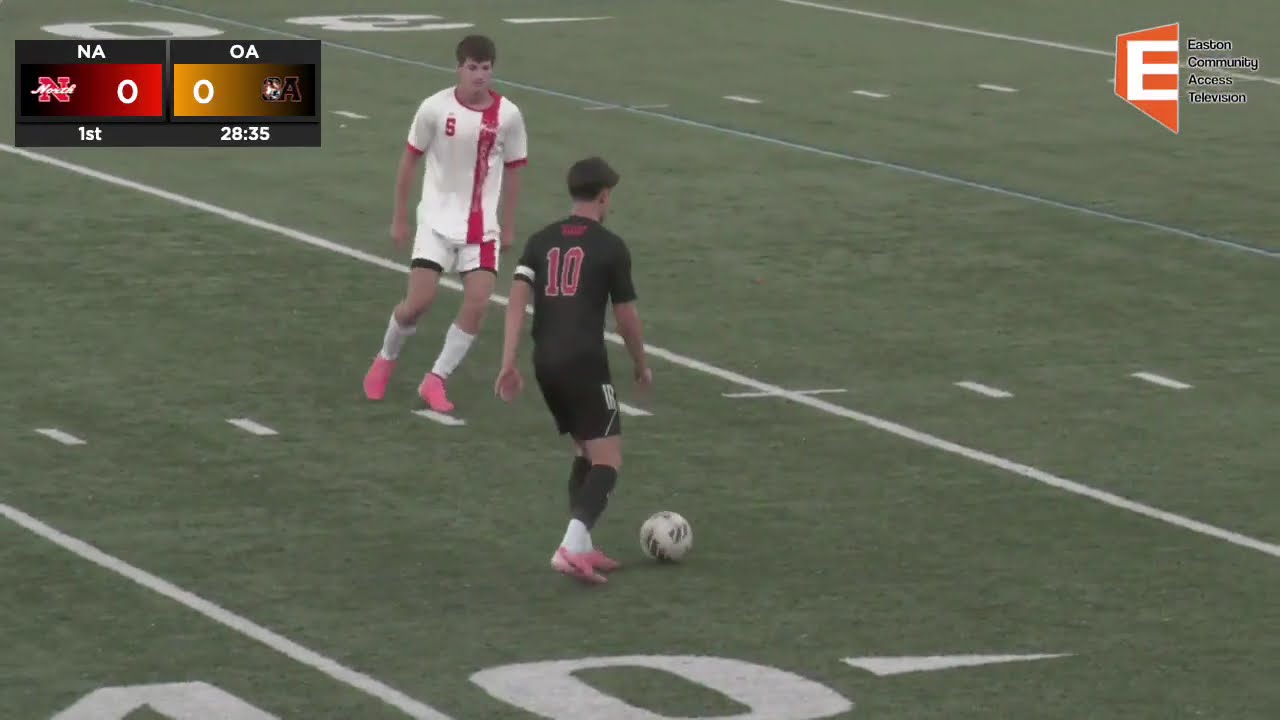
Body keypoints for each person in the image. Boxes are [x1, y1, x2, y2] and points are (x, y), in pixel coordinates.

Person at [495, 156, 652, 584]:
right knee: (608, 460)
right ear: (603, 196)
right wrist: (641, 363)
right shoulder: (610, 245)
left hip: (545, 360)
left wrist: (508, 360)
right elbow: (626, 317)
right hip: (585, 360)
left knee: (584, 449)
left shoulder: (541, 240)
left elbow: (515, 301)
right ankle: (570, 544)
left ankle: (581, 544)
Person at [363, 34, 528, 412]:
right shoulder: (434, 109)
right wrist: (400, 217)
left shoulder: (509, 116)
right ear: (459, 68)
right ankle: (386, 357)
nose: (480, 76)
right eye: (473, 68)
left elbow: (516, 170)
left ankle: (435, 379)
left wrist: (509, 223)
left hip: (481, 229)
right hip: (436, 222)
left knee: (479, 302)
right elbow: (409, 161)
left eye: (486, 68)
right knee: (418, 303)